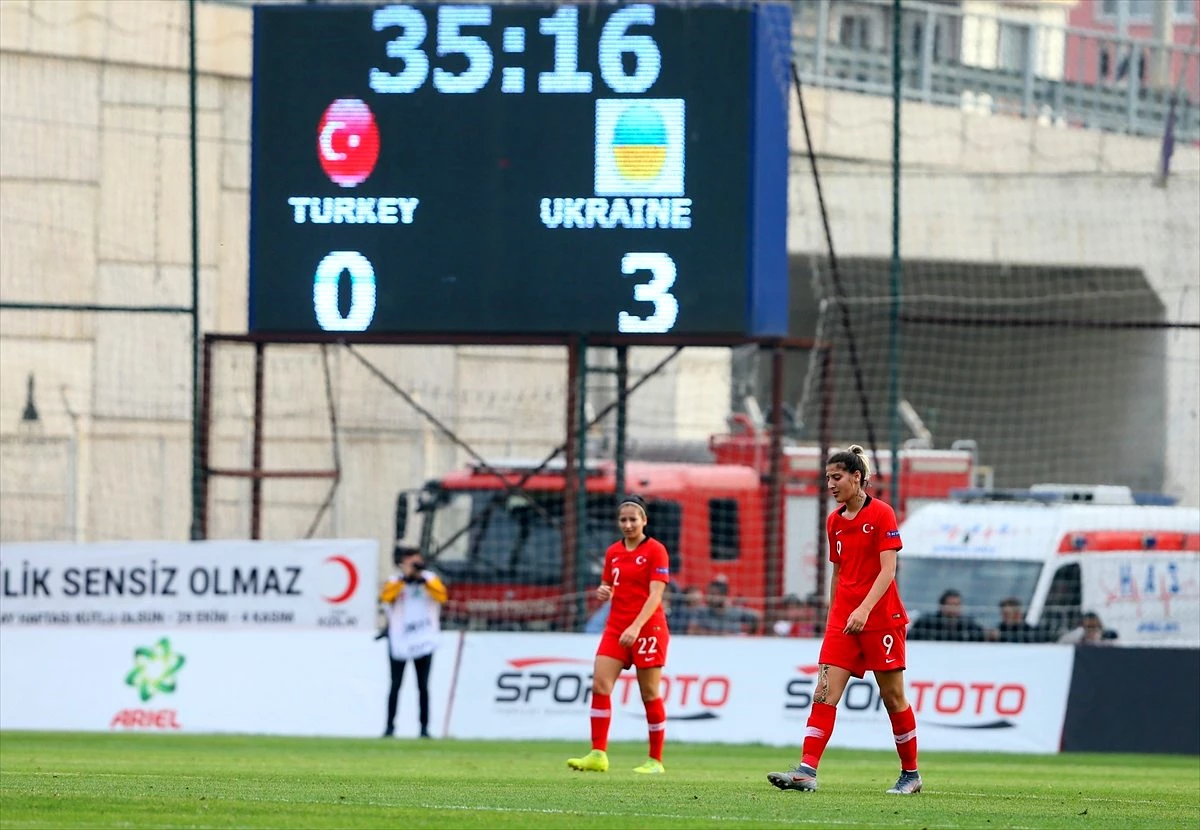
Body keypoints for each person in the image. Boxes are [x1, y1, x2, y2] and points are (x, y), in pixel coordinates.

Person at [767, 445, 922, 796]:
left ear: (856, 477)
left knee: (893, 698)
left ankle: (910, 774)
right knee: (823, 692)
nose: (831, 485)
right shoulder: (834, 521)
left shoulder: (882, 513)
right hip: (844, 621)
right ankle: (807, 771)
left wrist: (864, 609)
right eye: (827, 479)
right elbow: (838, 573)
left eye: (836, 478)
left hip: (881, 618)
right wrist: (833, 617)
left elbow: (888, 570)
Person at [567, 495, 671, 775]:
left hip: (648, 627)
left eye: (633, 519)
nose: (627, 524)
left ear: (644, 521)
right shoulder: (613, 552)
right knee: (600, 684)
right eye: (623, 520)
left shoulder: (656, 551)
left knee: (649, 693)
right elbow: (608, 586)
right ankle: (598, 753)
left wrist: (636, 627)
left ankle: (655, 760)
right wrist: (605, 592)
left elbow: (656, 595)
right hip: (616, 626)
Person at [379, 545, 448, 739]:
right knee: (395, 685)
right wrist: (405, 579)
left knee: (423, 686)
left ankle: (424, 728)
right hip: (400, 640)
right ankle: (389, 727)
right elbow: (386, 597)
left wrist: (421, 579)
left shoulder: (430, 579)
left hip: (424, 639)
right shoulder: (394, 581)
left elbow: (442, 596)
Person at [907, 589, 986, 642]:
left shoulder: (969, 625)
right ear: (941, 606)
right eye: (950, 605)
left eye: (956, 605)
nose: (953, 609)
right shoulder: (927, 623)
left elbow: (982, 637)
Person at [692, 577, 759, 636]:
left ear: (723, 595)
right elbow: (692, 630)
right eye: (708, 593)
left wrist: (748, 635)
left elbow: (757, 616)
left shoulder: (735, 611)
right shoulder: (702, 611)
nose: (709, 597)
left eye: (713, 594)